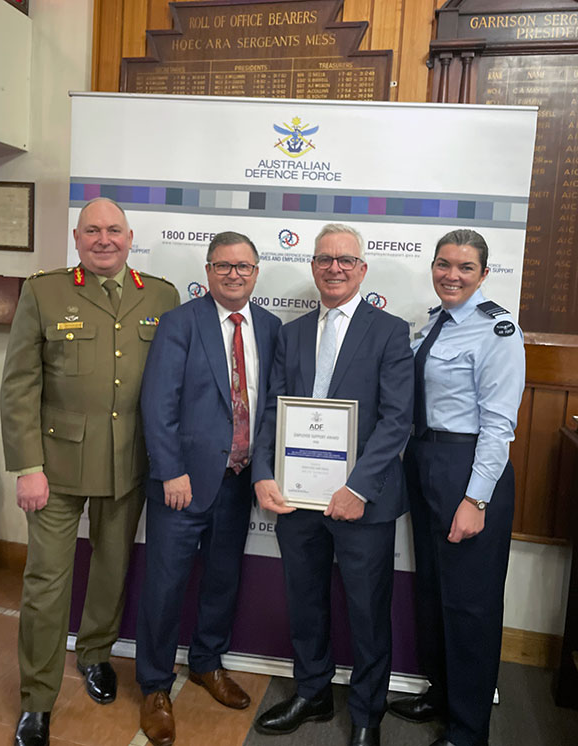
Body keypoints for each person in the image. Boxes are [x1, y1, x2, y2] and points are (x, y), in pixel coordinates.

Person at [0, 197, 180, 746]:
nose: (105, 239)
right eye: (93, 230)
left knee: (111, 569)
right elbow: (19, 387)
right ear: (77, 238)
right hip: (54, 468)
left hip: (129, 464)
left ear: (131, 237)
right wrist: (28, 466)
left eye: (115, 230)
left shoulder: (163, 295)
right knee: (47, 585)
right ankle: (37, 697)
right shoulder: (44, 290)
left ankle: (96, 654)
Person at [252, 223, 414, 746]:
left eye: (345, 260)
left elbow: (396, 420)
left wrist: (358, 488)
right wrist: (263, 472)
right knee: (305, 599)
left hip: (363, 500)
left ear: (362, 269)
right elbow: (273, 411)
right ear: (313, 266)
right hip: (297, 497)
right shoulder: (292, 331)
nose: (334, 268)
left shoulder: (390, 332)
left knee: (368, 609)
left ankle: (367, 714)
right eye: (324, 259)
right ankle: (313, 690)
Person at [136, 231, 281, 746]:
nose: (234, 274)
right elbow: (159, 402)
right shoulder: (181, 322)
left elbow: (268, 409)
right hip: (183, 482)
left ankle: (206, 662)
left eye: (244, 266)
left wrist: (263, 468)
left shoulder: (269, 326)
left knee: (222, 579)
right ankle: (154, 684)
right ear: (208, 270)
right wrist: (170, 469)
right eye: (223, 266)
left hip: (239, 481)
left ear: (257, 272)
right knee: (165, 585)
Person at [388, 229, 525, 746]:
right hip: (425, 459)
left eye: (465, 267)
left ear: (484, 274)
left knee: (471, 601)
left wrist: (475, 498)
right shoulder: (432, 324)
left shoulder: (498, 330)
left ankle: (470, 728)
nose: (452, 275)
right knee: (435, 589)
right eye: (444, 264)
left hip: (467, 467)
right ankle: (442, 693)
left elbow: (498, 426)